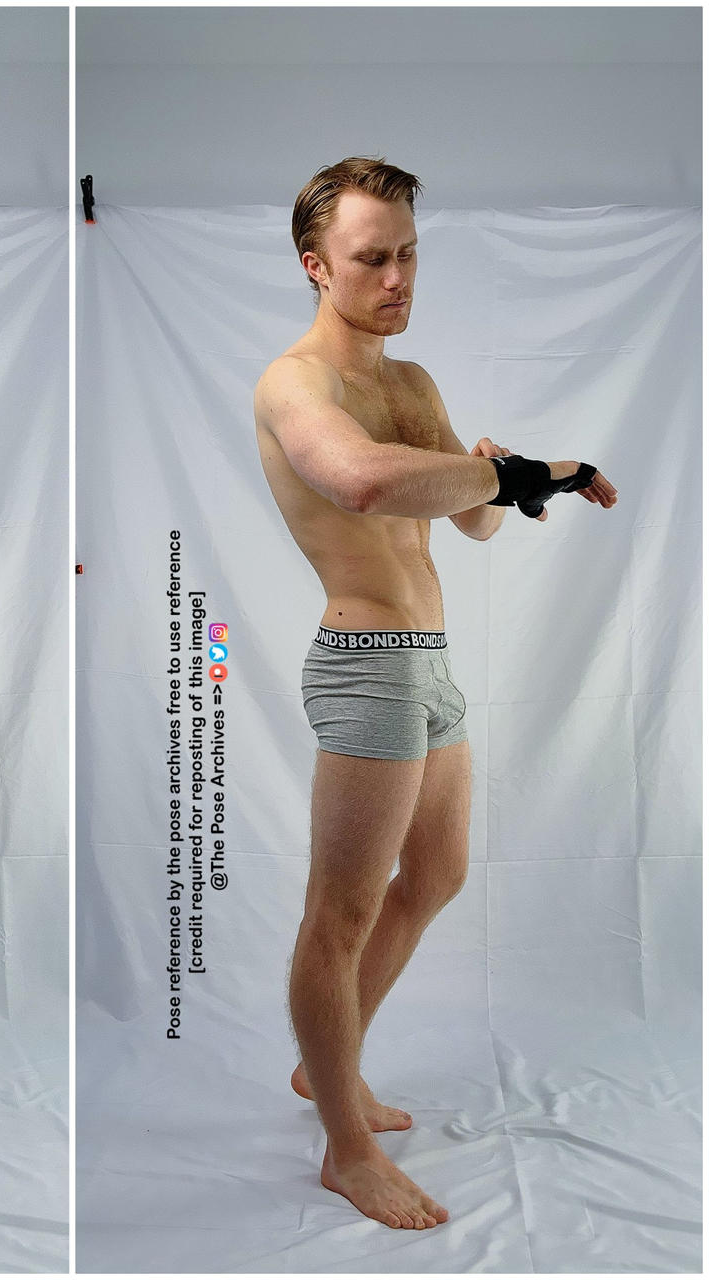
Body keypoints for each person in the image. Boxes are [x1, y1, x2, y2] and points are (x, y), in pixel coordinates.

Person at [253, 157, 618, 1231]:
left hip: (431, 661)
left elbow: (473, 521)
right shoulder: (293, 383)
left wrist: (506, 475)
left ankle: (328, 1067)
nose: (397, 275)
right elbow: (362, 480)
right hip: (364, 662)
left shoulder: (408, 384)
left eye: (408, 252)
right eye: (372, 257)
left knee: (441, 869)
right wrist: (501, 471)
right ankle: (344, 1146)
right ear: (315, 265)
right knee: (341, 909)